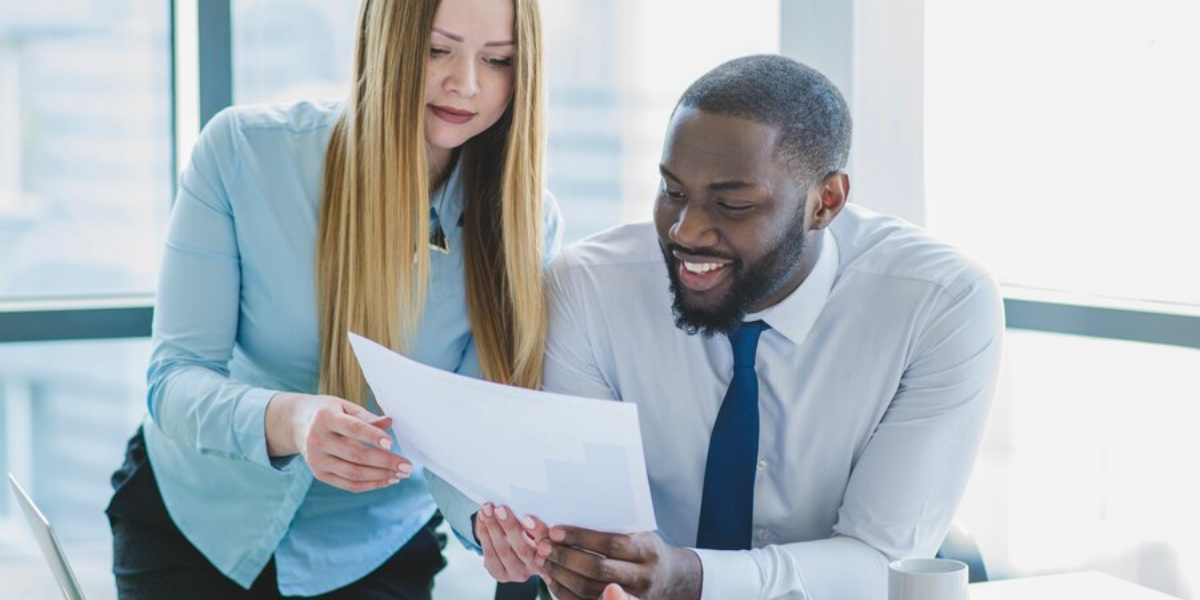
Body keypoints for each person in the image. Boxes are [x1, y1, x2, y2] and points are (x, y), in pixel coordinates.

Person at [469, 54, 1003, 599]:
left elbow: (884, 560)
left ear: (827, 202)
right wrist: (552, 550)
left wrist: (690, 578)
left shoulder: (939, 304)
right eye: (673, 192)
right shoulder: (590, 288)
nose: (687, 231)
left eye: (732, 203)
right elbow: (587, 523)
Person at [105, 0, 559, 598]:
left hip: (372, 551)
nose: (466, 83)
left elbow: (460, 438)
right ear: (387, 42)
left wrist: (490, 526)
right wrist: (292, 421)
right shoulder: (244, 153)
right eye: (436, 50)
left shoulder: (526, 224)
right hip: (195, 521)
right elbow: (175, 380)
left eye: (498, 60)